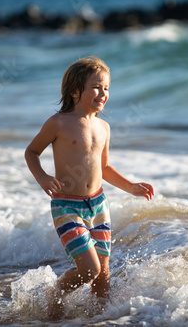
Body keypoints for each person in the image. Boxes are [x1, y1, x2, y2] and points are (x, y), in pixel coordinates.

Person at [24, 56, 154, 320]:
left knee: (103, 275)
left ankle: (96, 319)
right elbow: (32, 152)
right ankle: (57, 293)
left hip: (98, 205)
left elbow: (104, 167)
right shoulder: (58, 123)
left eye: (106, 88)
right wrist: (43, 178)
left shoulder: (103, 127)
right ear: (75, 91)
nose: (103, 93)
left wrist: (130, 186)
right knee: (89, 269)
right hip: (67, 206)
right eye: (96, 87)